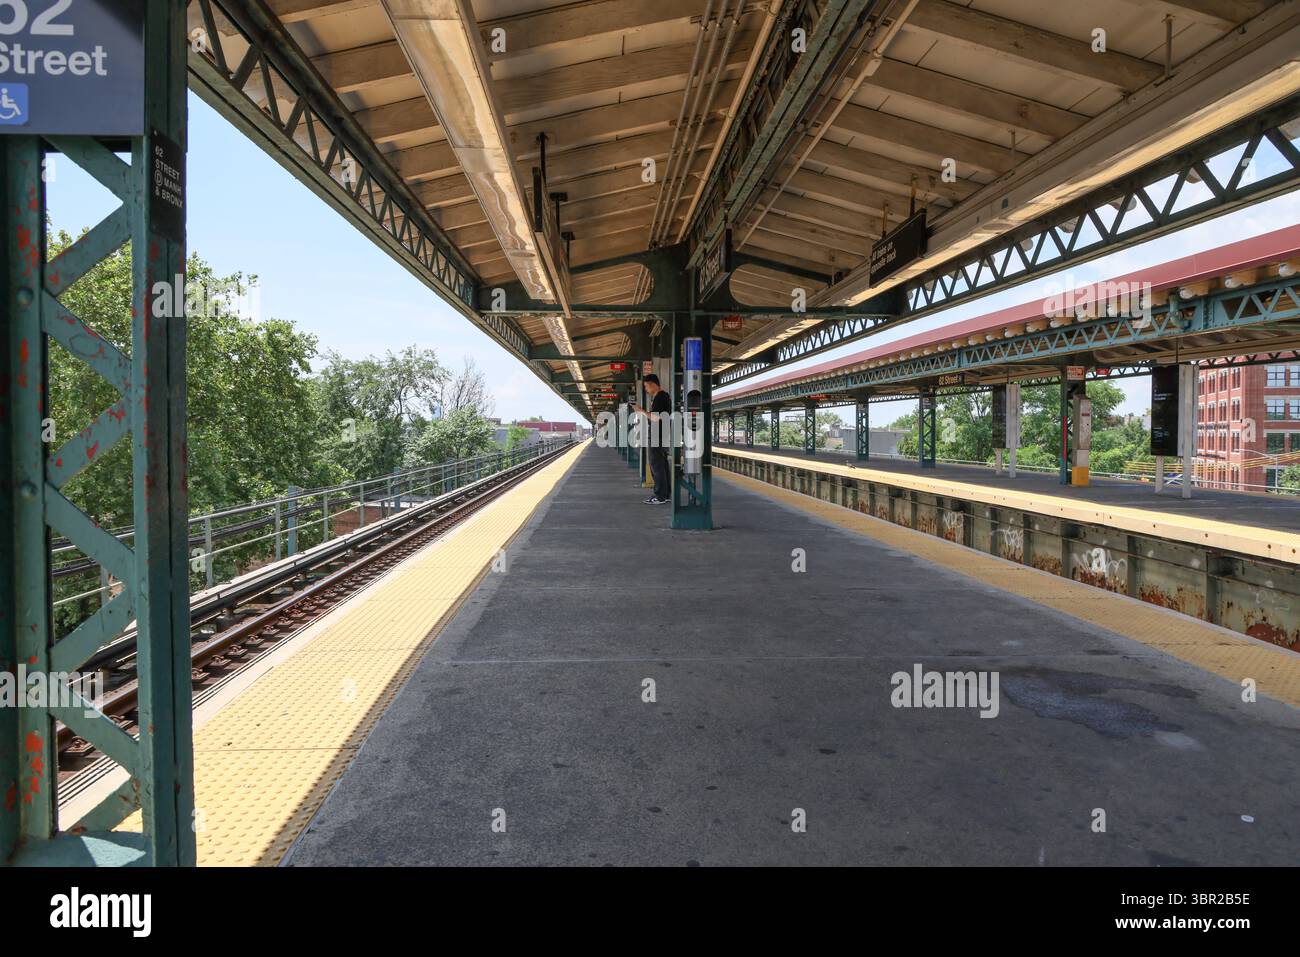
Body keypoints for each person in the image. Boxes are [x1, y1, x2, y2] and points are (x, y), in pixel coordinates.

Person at [631, 374, 672, 504]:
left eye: (646, 386)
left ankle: (660, 496)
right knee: (663, 466)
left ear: (653, 384)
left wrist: (640, 410)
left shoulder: (660, 397)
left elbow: (656, 418)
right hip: (662, 435)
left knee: (656, 466)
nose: (646, 389)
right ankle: (665, 495)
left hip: (657, 436)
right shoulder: (663, 397)